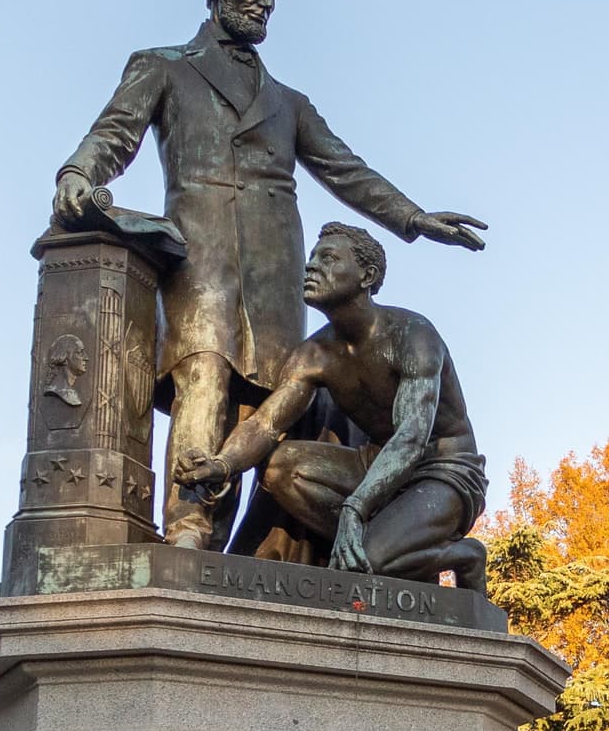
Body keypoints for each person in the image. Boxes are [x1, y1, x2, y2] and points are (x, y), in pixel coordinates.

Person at [52, 0, 489, 548]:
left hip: (278, 269)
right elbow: (114, 134)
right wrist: (78, 173)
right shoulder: (163, 67)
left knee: (263, 405)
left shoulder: (289, 102)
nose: (265, 2)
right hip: (200, 260)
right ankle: (188, 527)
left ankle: (244, 549)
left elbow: (347, 170)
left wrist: (413, 219)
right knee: (201, 373)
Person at [171, 225, 488, 584]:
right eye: (311, 258)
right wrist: (223, 464)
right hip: (373, 465)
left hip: (441, 471)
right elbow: (266, 425)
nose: (311, 267)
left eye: (329, 259)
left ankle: (463, 555)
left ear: (367, 275)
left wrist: (356, 505)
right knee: (279, 467)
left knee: (371, 561)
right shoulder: (315, 353)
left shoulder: (412, 334)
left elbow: (412, 437)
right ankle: (381, 540)